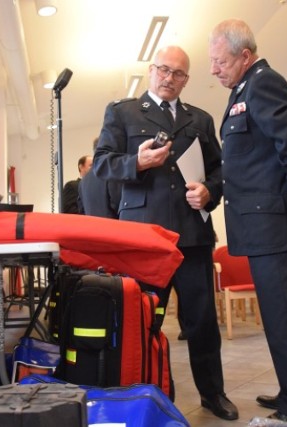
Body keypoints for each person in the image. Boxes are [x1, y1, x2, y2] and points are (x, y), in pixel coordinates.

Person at [94, 45, 238, 421]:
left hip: (193, 236)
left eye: (178, 74)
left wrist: (210, 190)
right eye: (164, 70)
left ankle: (213, 394)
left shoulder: (200, 119)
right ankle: (143, 393)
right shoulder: (122, 112)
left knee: (202, 321)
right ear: (151, 70)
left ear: (187, 79)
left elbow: (221, 172)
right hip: (145, 238)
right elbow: (102, 165)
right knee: (142, 321)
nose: (169, 78)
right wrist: (136, 162)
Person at [209, 19, 287, 427]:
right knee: (280, 319)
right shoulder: (245, 88)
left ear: (245, 56)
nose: (214, 70)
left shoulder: (263, 83)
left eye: (220, 61)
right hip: (264, 228)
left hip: (275, 226)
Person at [79, 137, 121, 218]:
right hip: (114, 227)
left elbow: (82, 210)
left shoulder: (83, 182)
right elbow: (119, 205)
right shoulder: (110, 173)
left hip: (92, 228)